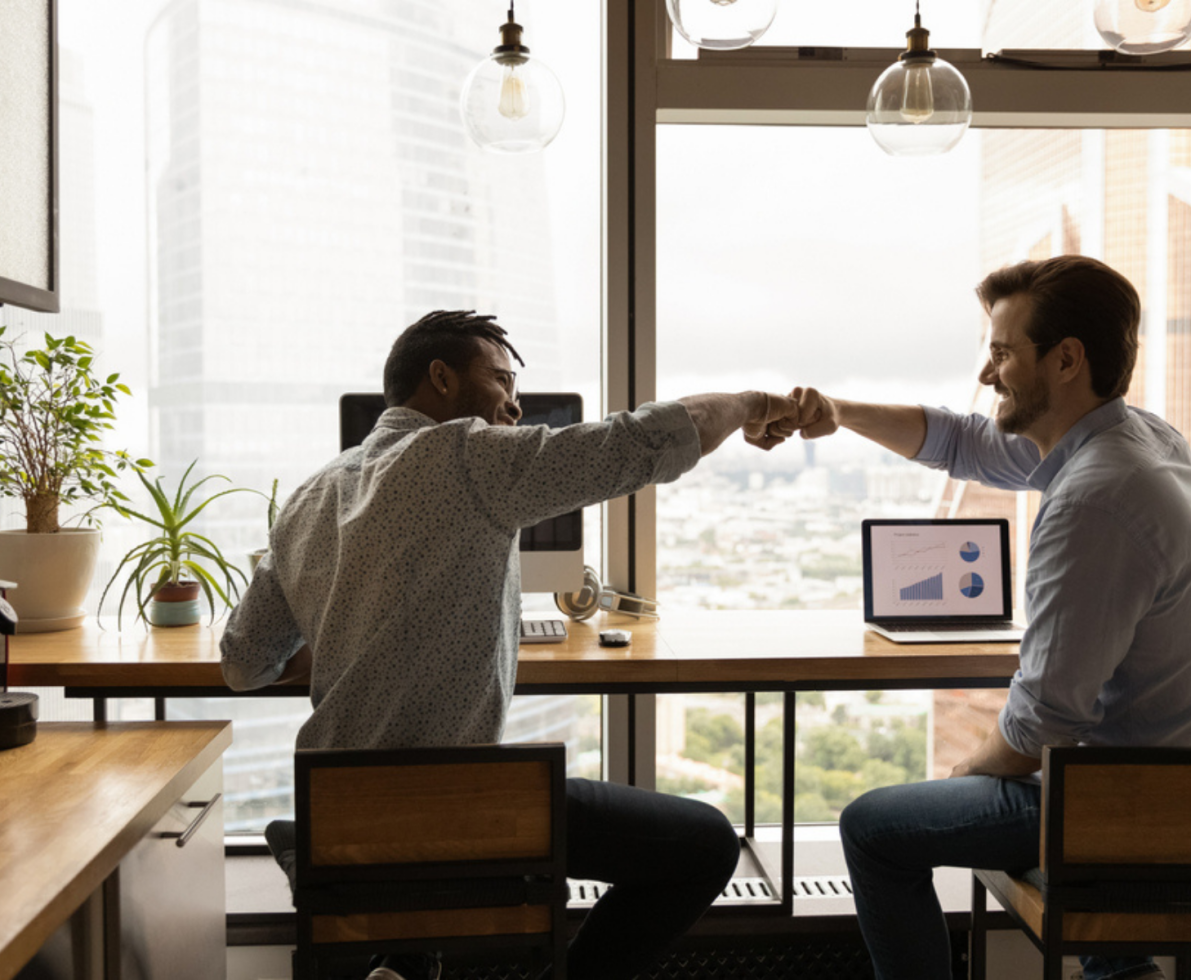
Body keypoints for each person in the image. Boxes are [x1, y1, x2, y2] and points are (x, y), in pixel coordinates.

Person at [220, 309, 804, 980]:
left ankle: (401, 964)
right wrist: (753, 405)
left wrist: (349, 627)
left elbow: (244, 662)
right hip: (450, 808)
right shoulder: (465, 456)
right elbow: (643, 441)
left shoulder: (307, 496)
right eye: (500, 378)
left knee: (426, 849)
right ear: (440, 379)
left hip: (343, 816)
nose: (515, 401)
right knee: (702, 846)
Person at [787, 255, 1191, 980]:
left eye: (1002, 352)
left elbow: (1040, 726)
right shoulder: (1139, 440)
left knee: (873, 828)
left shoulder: (1093, 499)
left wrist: (966, 770)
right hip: (1159, 781)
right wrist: (839, 413)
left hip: (1122, 803)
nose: (986, 372)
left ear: (1065, 360)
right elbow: (961, 442)